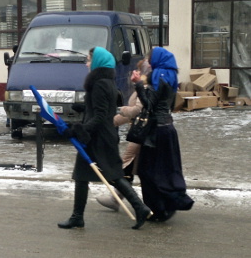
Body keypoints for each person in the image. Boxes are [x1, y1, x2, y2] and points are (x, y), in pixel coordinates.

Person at [57, 47, 152, 230]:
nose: (87, 63)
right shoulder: (105, 81)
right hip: (101, 136)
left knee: (113, 174)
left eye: (89, 59)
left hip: (99, 138)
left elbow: (101, 116)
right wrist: (83, 108)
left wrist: (79, 129)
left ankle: (140, 207)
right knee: (83, 175)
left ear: (98, 61)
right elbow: (102, 109)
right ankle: (77, 217)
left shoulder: (99, 83)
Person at [131, 47, 194, 222]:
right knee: (166, 170)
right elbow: (170, 104)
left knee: (147, 171)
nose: (149, 62)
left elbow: (148, 104)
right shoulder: (171, 76)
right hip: (167, 129)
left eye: (151, 58)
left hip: (156, 131)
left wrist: (138, 84)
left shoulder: (158, 76)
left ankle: (159, 209)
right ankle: (166, 205)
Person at [96, 58, 152, 211]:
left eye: (139, 70)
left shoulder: (145, 88)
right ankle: (117, 199)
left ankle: (119, 200)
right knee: (129, 167)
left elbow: (137, 111)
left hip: (141, 134)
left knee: (127, 165)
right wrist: (111, 122)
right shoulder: (144, 87)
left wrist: (122, 109)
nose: (136, 72)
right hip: (140, 133)